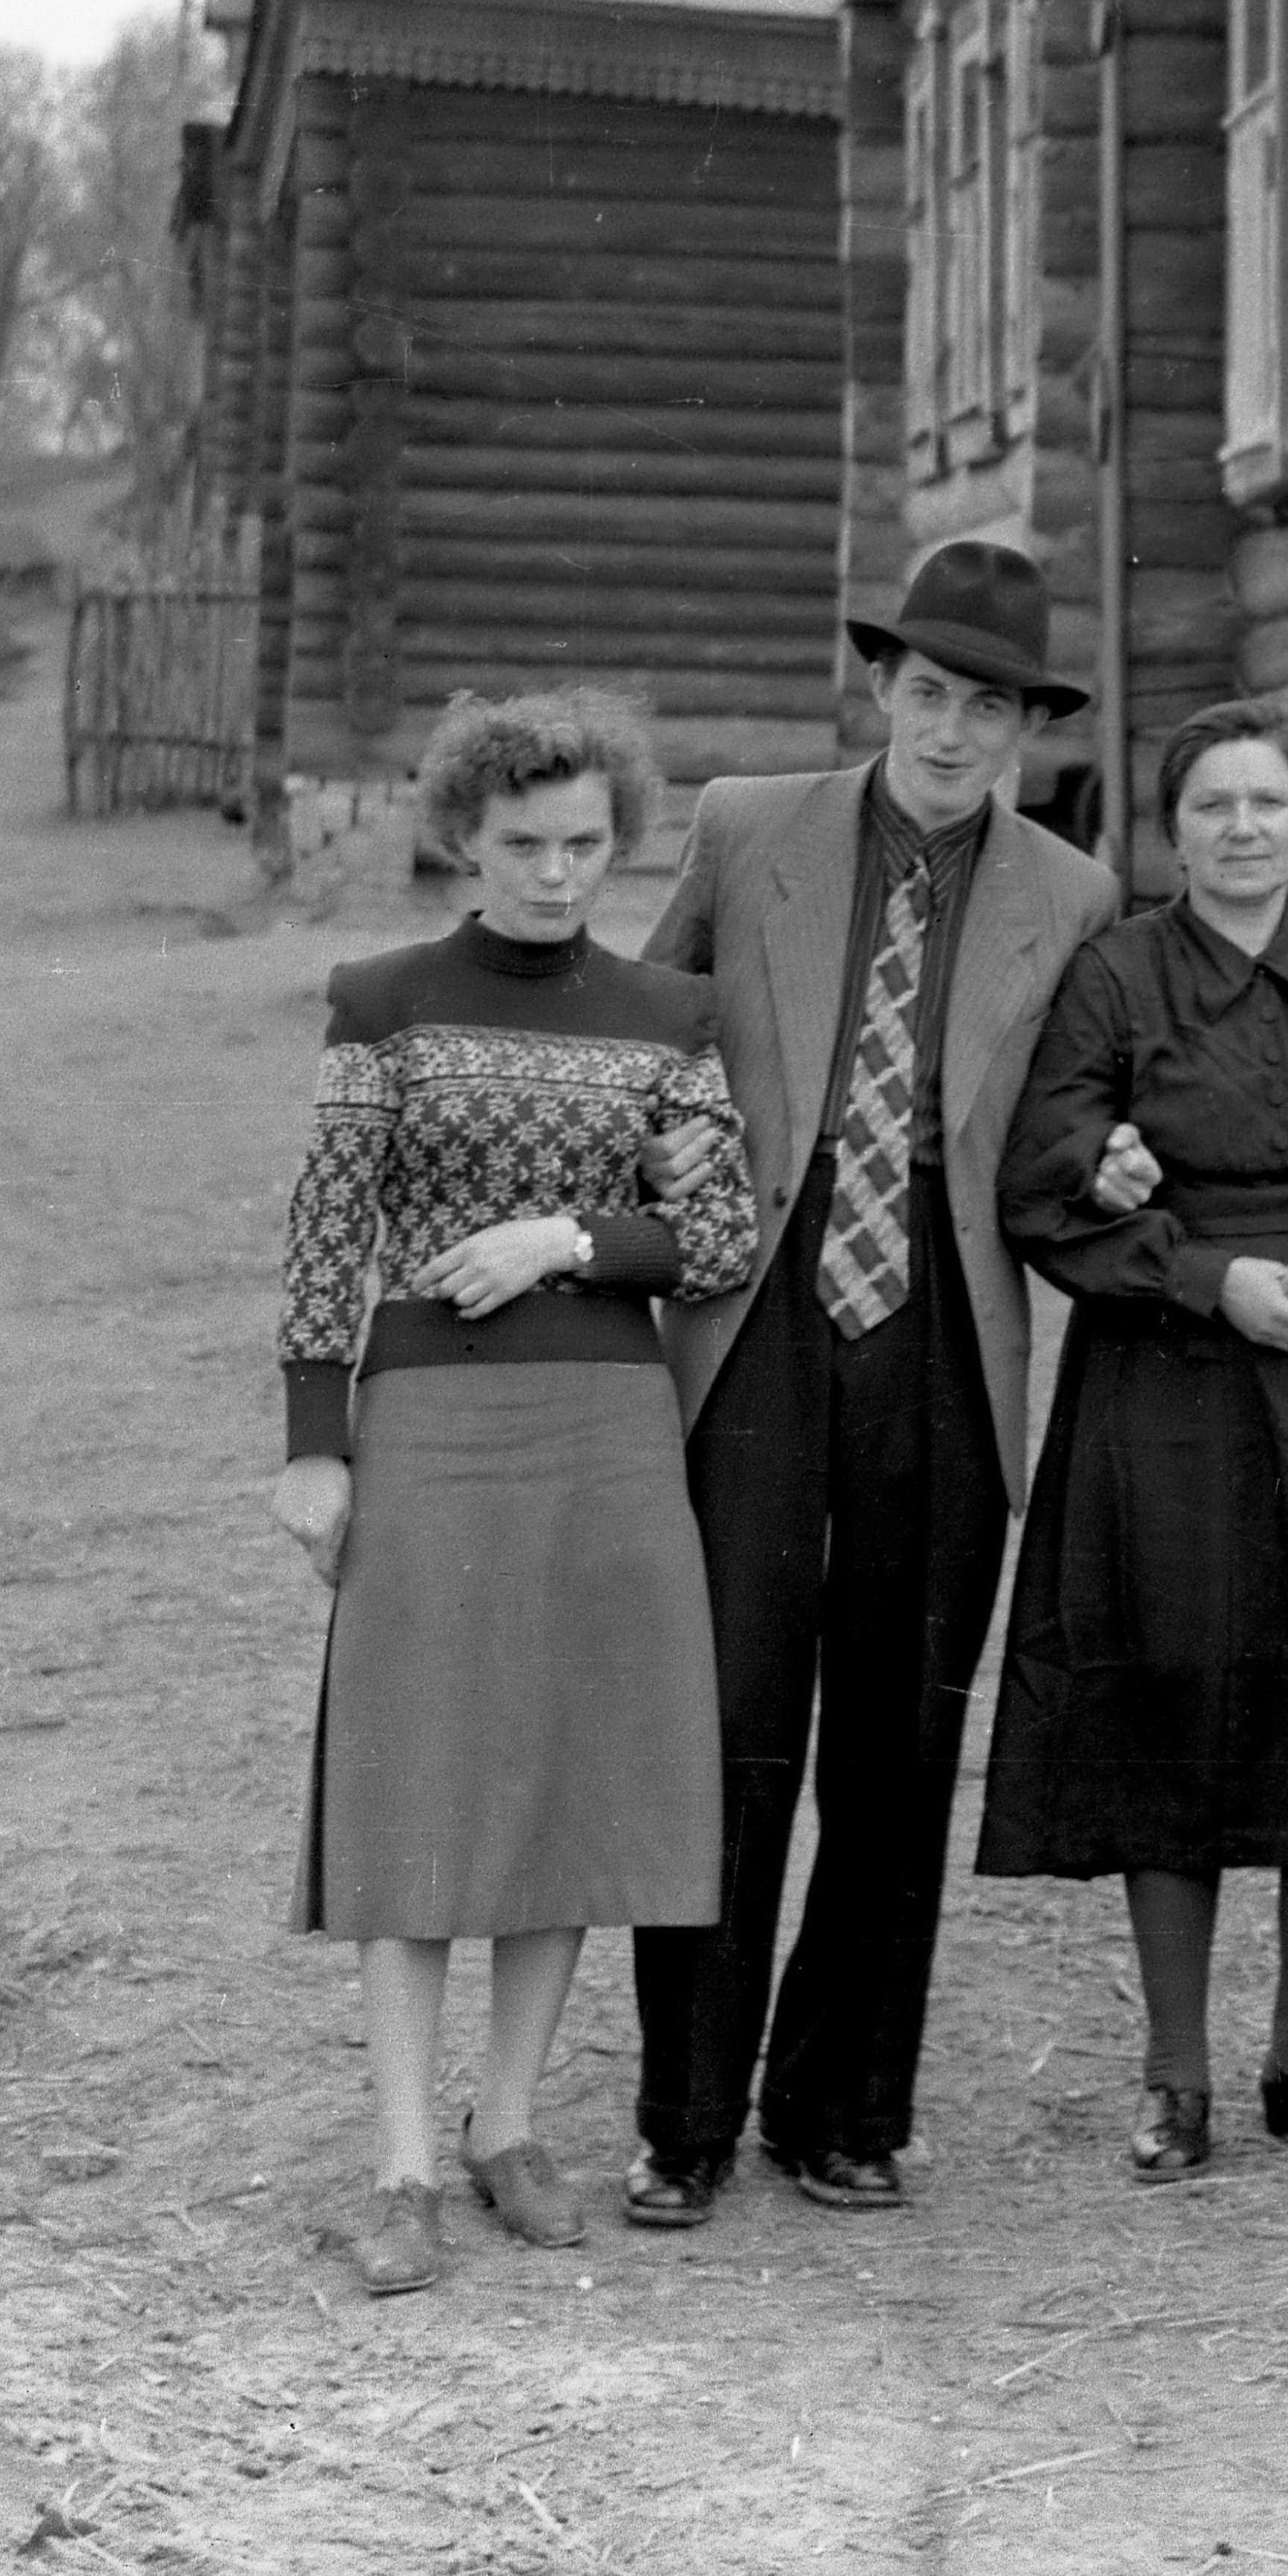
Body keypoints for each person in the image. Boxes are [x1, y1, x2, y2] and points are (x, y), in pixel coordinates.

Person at [625, 539, 1120, 2226]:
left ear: (1028, 727)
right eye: (927, 691)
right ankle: (685, 2112)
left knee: (901, 1734)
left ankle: (841, 2102)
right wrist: (674, 1170)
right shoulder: (745, 824)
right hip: (760, 1306)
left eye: (988, 705)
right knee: (731, 1717)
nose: (952, 729)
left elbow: (1074, 1116)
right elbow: (645, 1032)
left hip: (944, 1321)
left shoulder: (1072, 893)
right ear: (879, 688)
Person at [272, 686, 760, 2295]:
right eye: (522, 845)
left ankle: (507, 2125)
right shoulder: (384, 1000)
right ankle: (406, 2163)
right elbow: (329, 1231)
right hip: (432, 1430)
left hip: (608, 1432)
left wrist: (567, 1239)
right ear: (463, 841)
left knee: (559, 1777)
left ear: (619, 839)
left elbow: (725, 1231)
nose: (557, 874)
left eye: (584, 844)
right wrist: (313, 1440)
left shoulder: (667, 1012)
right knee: (423, 1784)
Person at [981, 705, 1288, 2180]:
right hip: (1168, 1369)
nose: (1244, 827)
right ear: (1171, 829)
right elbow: (1046, 1184)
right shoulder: (1116, 976)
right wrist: (1209, 1278)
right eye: (1213, 805)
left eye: (1270, 801)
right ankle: (1176, 2073)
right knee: (1177, 1689)